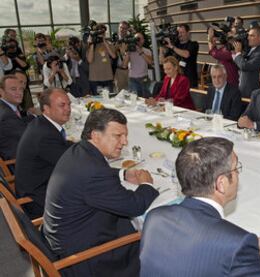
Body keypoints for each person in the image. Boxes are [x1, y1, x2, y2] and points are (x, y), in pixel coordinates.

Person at [140, 137, 260, 277]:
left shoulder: (154, 216)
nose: (238, 175)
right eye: (236, 169)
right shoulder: (237, 243)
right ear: (221, 184)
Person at [42, 108, 159, 276]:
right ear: (96, 135)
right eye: (118, 136)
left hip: (67, 234)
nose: (125, 142)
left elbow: (94, 176)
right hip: (84, 257)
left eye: (125, 135)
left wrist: (123, 173)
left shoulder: (80, 151)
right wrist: (147, 185)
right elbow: (134, 206)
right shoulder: (93, 171)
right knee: (153, 237)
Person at [15, 88, 73, 219]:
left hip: (42, 186)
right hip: (39, 200)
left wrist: (87, 145)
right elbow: (72, 164)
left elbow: (64, 147)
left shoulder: (42, 124)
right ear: (46, 109)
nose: (68, 109)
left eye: (69, 104)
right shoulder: (44, 135)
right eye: (62, 105)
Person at [0, 75, 34, 160]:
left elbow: (20, 122)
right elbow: (30, 136)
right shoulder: (6, 115)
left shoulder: (5, 107)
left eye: (21, 89)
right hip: (19, 162)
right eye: (13, 89)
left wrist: (36, 116)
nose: (19, 93)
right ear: (1, 91)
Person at [233, 26, 260, 98]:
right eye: (248, 35)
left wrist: (238, 53)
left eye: (252, 36)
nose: (248, 38)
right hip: (242, 92)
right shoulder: (250, 50)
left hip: (251, 94)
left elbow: (245, 66)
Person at [86, 23, 116, 95]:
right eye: (100, 32)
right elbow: (90, 60)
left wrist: (104, 41)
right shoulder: (90, 45)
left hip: (107, 77)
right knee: (97, 101)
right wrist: (92, 43)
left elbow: (113, 56)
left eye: (103, 32)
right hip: (95, 79)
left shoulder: (109, 44)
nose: (102, 34)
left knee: (109, 100)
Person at [122, 32, 153, 97]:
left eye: (140, 39)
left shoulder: (147, 51)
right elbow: (124, 65)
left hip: (144, 78)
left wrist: (140, 51)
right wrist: (127, 53)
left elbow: (150, 62)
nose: (138, 41)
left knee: (146, 98)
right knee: (135, 99)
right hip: (133, 79)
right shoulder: (130, 51)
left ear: (143, 40)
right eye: (136, 39)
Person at [113, 21, 130, 92]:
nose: (122, 30)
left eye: (125, 28)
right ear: (118, 28)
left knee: (132, 93)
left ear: (127, 30)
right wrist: (116, 47)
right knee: (119, 94)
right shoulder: (114, 39)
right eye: (121, 28)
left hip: (130, 70)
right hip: (118, 71)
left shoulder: (130, 40)